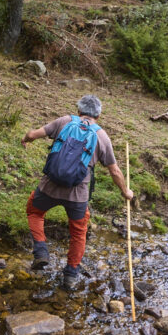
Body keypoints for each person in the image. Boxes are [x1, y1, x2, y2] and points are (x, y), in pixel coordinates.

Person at [21, 95, 133, 291]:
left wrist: (25, 139)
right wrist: (126, 192)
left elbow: (33, 135)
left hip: (49, 186)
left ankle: (41, 251)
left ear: (78, 109)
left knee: (35, 212)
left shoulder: (64, 121)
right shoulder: (102, 137)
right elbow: (114, 171)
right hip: (78, 195)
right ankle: (71, 276)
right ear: (99, 114)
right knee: (78, 233)